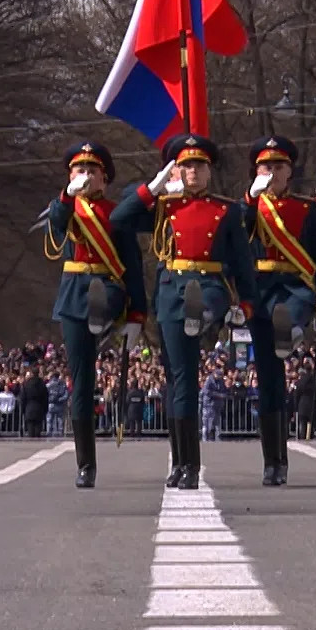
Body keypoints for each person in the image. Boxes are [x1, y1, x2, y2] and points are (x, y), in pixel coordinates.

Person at [111, 134, 257, 490]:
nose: (193, 171)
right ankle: (181, 463)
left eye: (199, 165)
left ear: (209, 171)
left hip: (208, 284)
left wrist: (247, 304)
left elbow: (241, 261)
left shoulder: (226, 210)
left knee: (197, 337)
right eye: (186, 165)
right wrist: (152, 187)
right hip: (170, 294)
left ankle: (191, 465)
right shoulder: (164, 206)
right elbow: (119, 219)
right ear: (176, 170)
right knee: (178, 381)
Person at [42, 142, 145, 486]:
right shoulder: (66, 208)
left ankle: (103, 318)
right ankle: (86, 464)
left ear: (104, 179)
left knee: (107, 297)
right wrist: (67, 195)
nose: (84, 176)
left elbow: (133, 267)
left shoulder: (118, 213)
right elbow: (56, 226)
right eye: (78, 170)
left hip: (108, 282)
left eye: (91, 171)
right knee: (81, 383)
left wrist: (138, 315)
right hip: (74, 294)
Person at [240, 136, 316, 485]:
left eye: (278, 166)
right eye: (265, 167)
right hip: (261, 290)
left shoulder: (307, 209)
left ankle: (293, 330)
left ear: (289, 171)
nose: (271, 172)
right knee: (270, 382)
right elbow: (239, 237)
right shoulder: (249, 208)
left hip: (296, 286)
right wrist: (252, 198)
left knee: (292, 311)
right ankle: (274, 461)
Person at [21, 370, 49, 438]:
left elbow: (23, 397)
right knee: (38, 426)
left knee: (30, 426)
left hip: (29, 407)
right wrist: (45, 408)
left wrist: (23, 408)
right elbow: (45, 397)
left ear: (31, 374)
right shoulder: (42, 384)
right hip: (39, 407)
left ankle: (31, 442)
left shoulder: (26, 384)